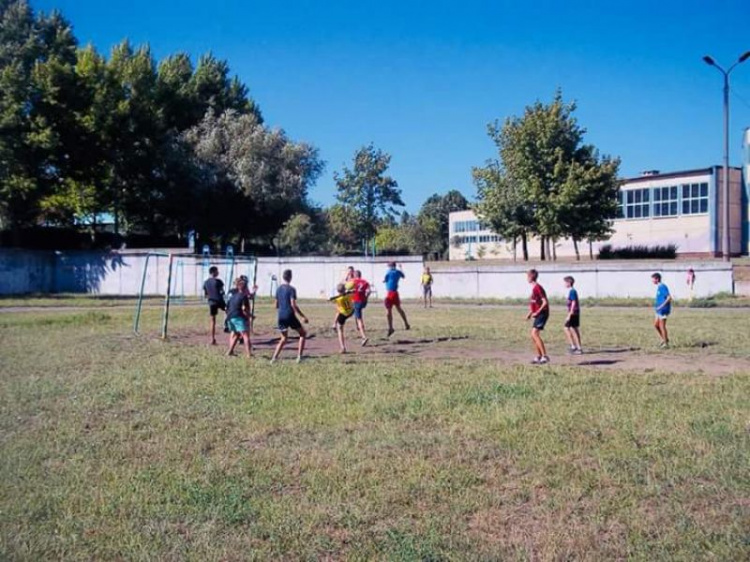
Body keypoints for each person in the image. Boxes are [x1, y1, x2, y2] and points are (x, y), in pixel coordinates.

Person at [271, 269, 309, 363]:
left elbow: (275, 305)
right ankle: (299, 357)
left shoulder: (279, 289)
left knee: (283, 338)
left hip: (281, 316)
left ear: (283, 277)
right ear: (291, 277)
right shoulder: (292, 289)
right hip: (290, 315)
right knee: (303, 334)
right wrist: (302, 316)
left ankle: (274, 358)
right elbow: (293, 304)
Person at [525, 269, 550, 364]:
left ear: (531, 277)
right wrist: (530, 313)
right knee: (533, 335)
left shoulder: (538, 288)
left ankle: (545, 356)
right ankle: (539, 356)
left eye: (527, 276)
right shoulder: (534, 288)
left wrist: (537, 312)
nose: (527, 278)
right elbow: (536, 303)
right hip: (538, 313)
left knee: (534, 334)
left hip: (543, 313)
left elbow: (545, 302)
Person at [225, 277, 252, 359]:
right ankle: (248, 355)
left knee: (236, 334)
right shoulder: (243, 296)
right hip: (237, 317)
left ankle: (229, 352)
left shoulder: (233, 296)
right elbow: (244, 309)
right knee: (245, 335)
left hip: (229, 317)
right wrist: (250, 316)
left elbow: (227, 308)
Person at [384, 261, 410, 337]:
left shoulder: (389, 272)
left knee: (388, 311)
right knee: (399, 309)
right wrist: (401, 268)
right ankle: (406, 323)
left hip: (390, 293)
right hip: (395, 292)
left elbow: (385, 279)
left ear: (391, 266)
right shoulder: (397, 272)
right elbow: (403, 276)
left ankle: (391, 327)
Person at [329, 283, 355, 353]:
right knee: (338, 310)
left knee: (340, 329)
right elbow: (353, 293)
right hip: (351, 311)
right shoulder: (349, 295)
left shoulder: (338, 299)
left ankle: (342, 347)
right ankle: (334, 324)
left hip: (344, 314)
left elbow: (330, 300)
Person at [202, 266, 225, 345]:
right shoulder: (218, 281)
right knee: (231, 312)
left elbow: (205, 294)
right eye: (217, 271)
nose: (218, 272)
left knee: (213, 320)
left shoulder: (206, 282)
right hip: (220, 301)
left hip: (212, 302)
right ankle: (234, 332)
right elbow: (222, 292)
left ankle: (212, 339)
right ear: (213, 272)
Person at [652, 272, 672, 348]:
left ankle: (666, 344)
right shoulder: (659, 287)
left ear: (657, 279)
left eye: (653, 279)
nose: (652, 281)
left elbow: (669, 298)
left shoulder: (663, 287)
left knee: (662, 326)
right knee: (656, 325)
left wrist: (661, 306)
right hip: (658, 310)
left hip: (663, 310)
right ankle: (665, 339)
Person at [563, 276, 582, 355]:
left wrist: (570, 314)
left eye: (565, 282)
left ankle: (574, 347)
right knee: (574, 329)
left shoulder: (572, 291)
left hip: (573, 313)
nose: (564, 284)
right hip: (575, 312)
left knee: (566, 328)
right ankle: (578, 347)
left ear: (569, 283)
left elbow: (573, 302)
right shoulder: (571, 291)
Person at [351, 270, 371, 346]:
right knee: (356, 314)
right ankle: (358, 327)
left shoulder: (352, 282)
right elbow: (369, 291)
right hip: (363, 301)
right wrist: (366, 297)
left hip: (356, 301)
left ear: (355, 275)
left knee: (359, 319)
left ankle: (364, 337)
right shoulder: (365, 282)